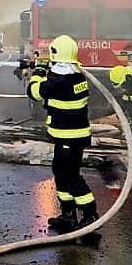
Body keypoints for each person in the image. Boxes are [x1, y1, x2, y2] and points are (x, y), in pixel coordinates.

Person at [31, 35, 96, 234]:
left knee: (71, 176)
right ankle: (68, 215)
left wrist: (38, 72)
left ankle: (89, 215)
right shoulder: (75, 75)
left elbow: (34, 92)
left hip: (69, 137)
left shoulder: (59, 80)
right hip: (69, 135)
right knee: (60, 172)